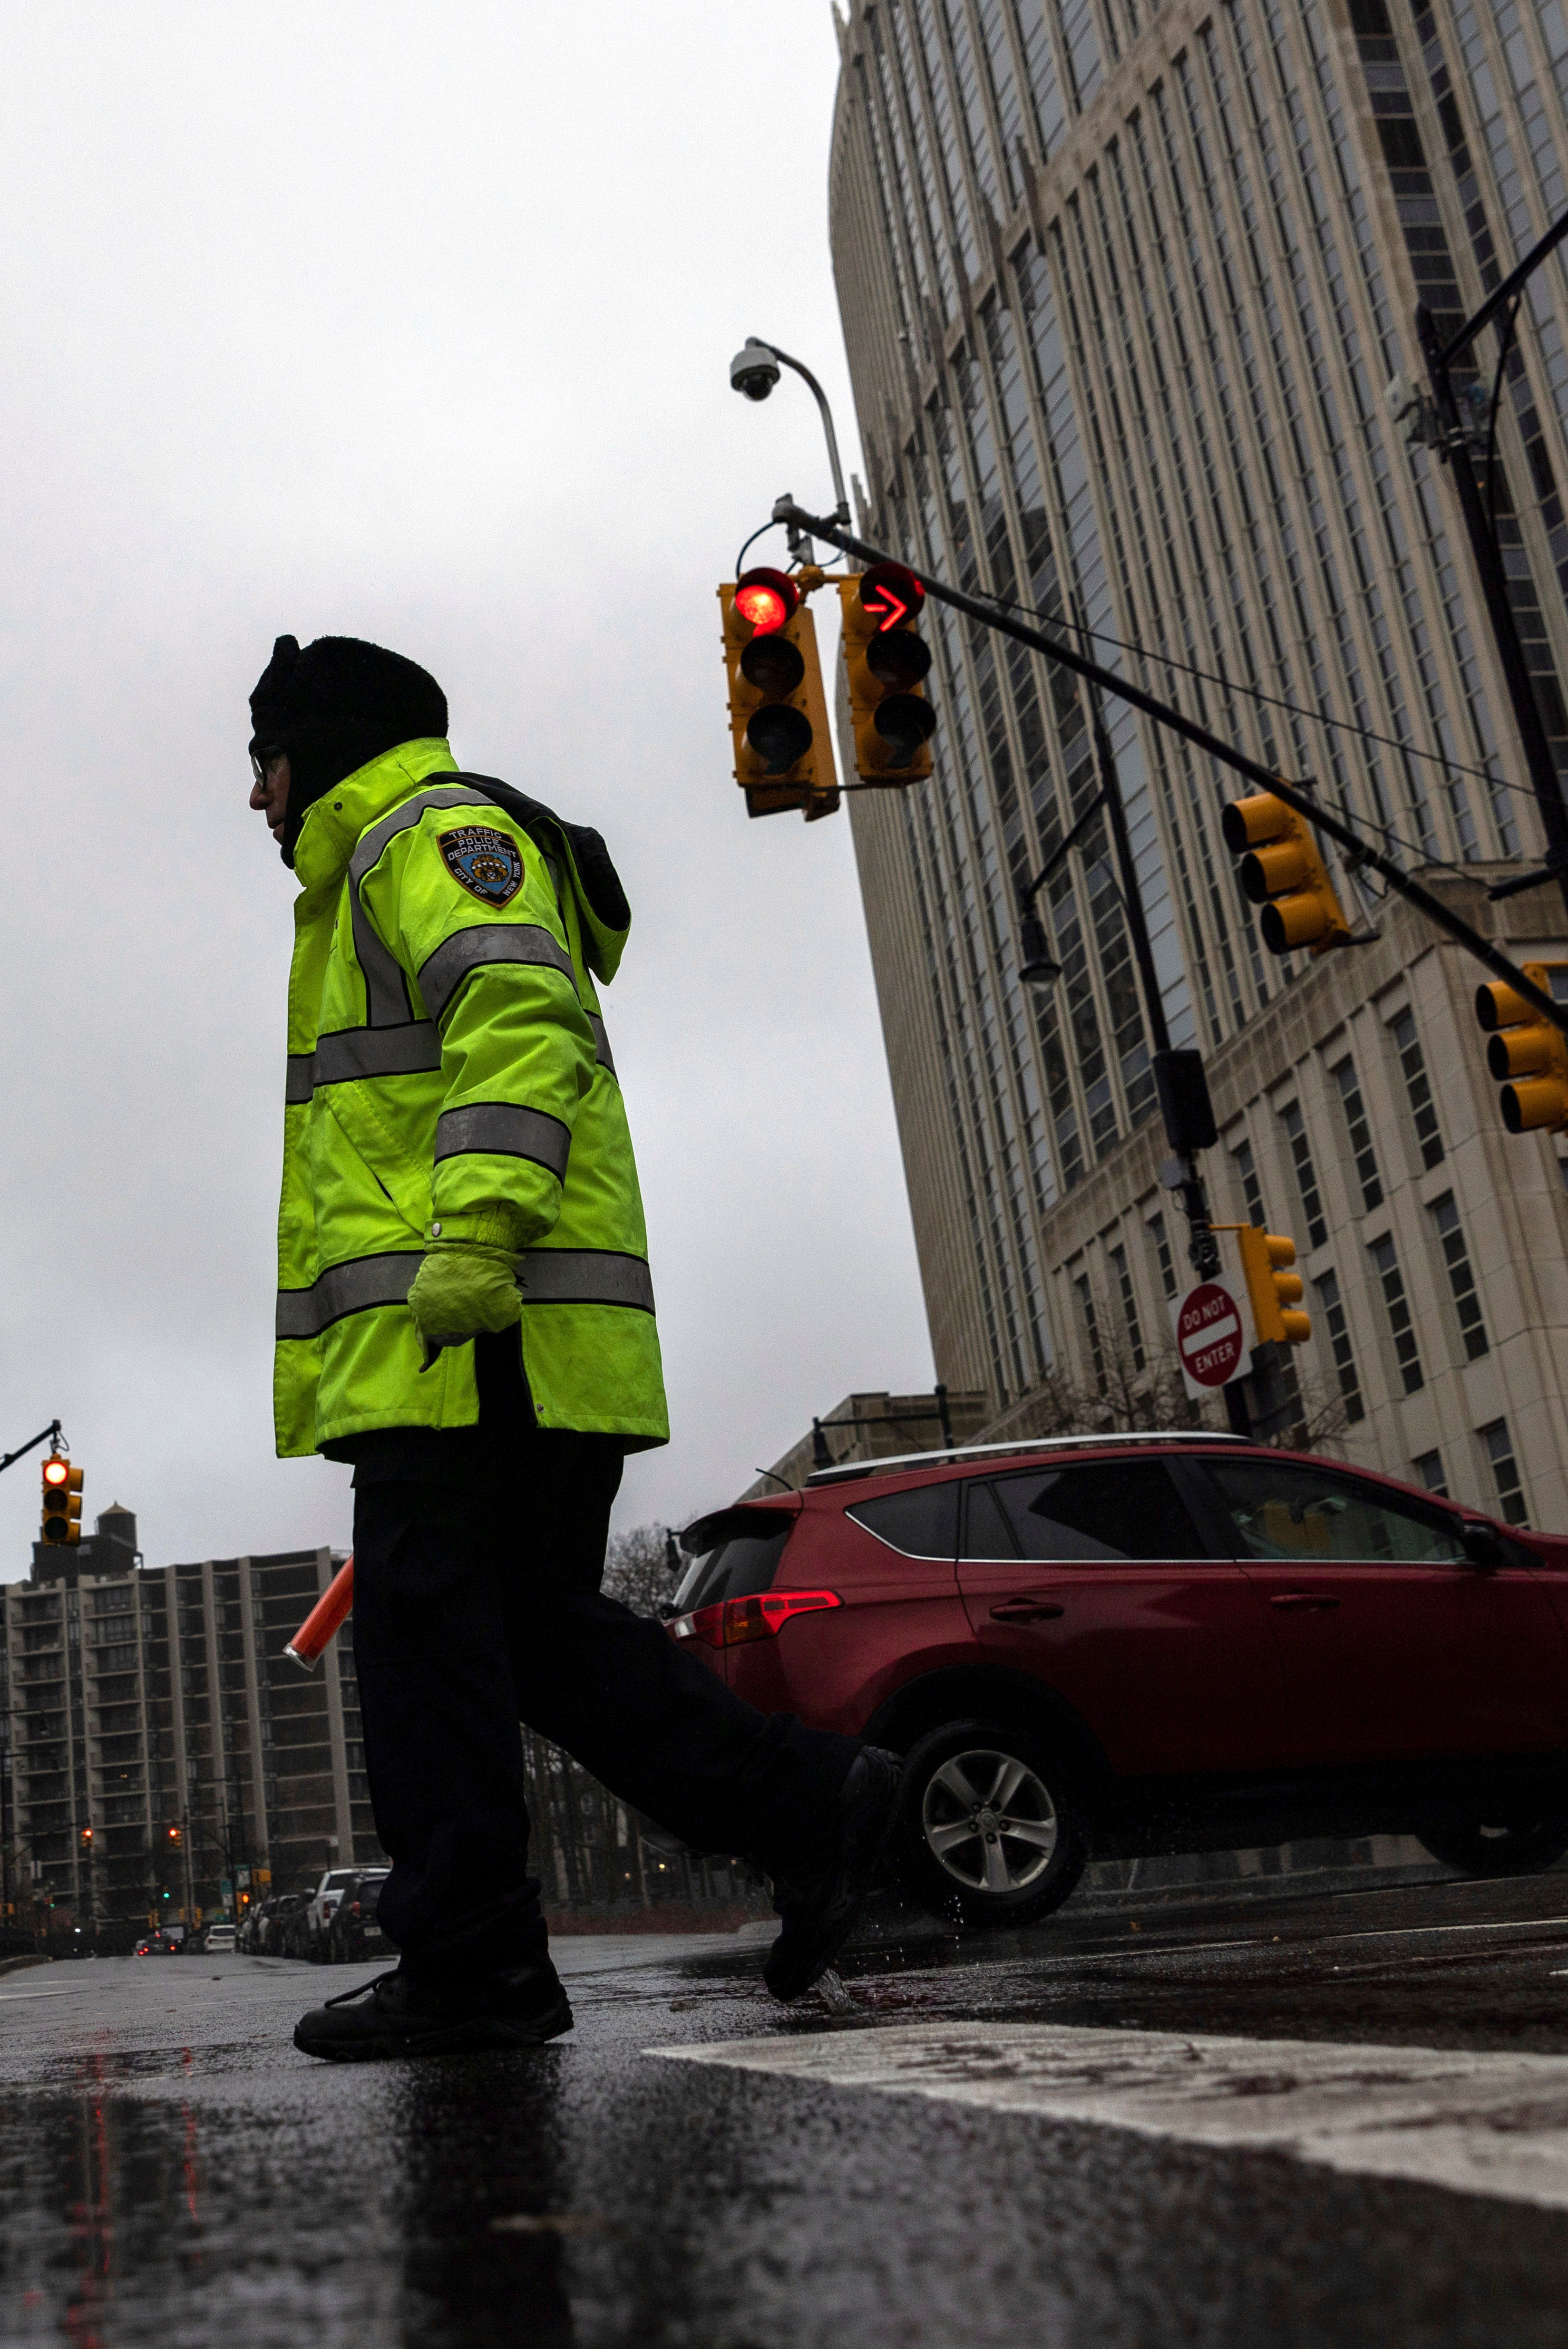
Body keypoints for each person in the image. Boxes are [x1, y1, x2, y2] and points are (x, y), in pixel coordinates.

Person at [246, 634, 901, 2063]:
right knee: (536, 1641)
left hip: (477, 1339)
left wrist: (473, 1240)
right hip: (508, 1346)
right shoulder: (402, 851)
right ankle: (813, 1805)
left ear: (330, 744)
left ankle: (474, 1965)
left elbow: (519, 1018)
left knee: (428, 1646)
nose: (257, 796)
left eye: (266, 758)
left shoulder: (423, 837)